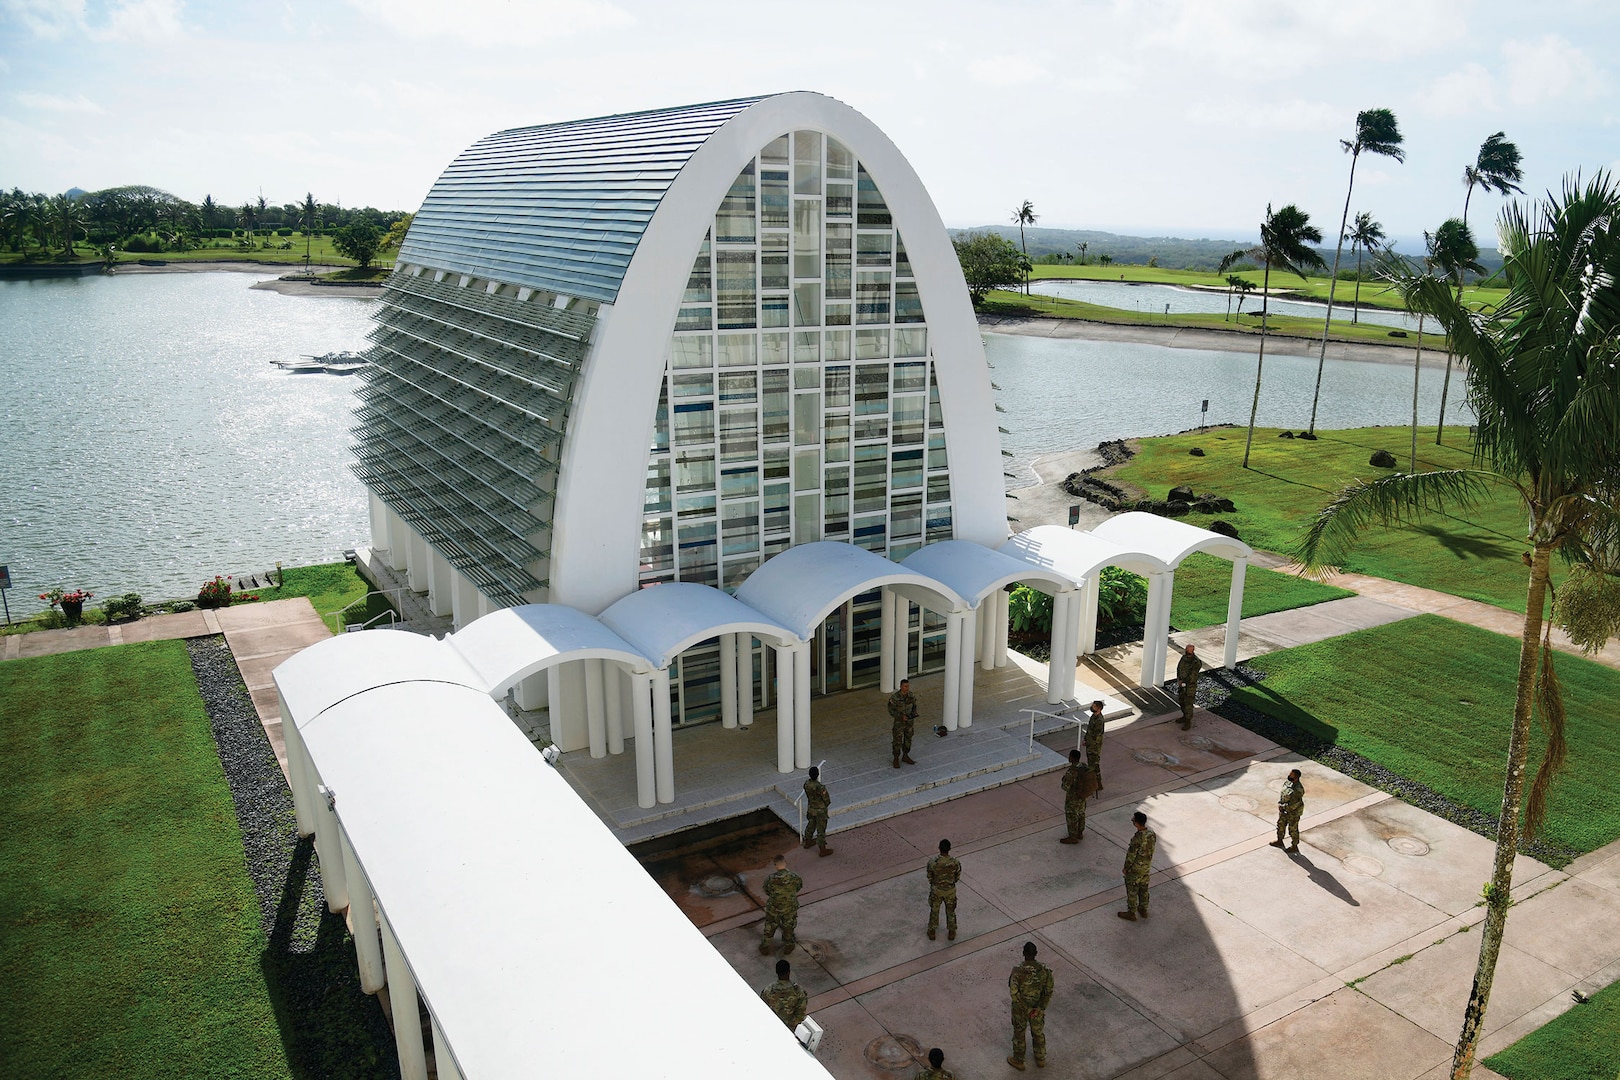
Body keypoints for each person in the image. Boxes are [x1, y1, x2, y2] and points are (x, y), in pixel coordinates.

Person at [1006, 940, 1054, 1070]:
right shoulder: (1044, 970)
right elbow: (1048, 991)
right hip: (1037, 1010)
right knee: (1038, 1032)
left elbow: (1014, 993)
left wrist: (1026, 1009)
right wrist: (1038, 1008)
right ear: (1036, 953)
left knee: (1019, 1033)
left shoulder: (1017, 970)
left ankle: (1019, 1060)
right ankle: (1040, 1058)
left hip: (1020, 1010)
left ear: (1023, 953)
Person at [759, 854, 803, 954]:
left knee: (770, 926)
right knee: (788, 925)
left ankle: (765, 946)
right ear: (785, 862)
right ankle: (789, 945)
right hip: (790, 906)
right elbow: (799, 887)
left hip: (774, 907)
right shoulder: (794, 877)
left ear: (775, 865)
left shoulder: (770, 879)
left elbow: (767, 891)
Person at [1118, 811, 1157, 921]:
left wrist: (1126, 868)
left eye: (1133, 820)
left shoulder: (1137, 838)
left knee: (1132, 890)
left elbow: (1131, 855)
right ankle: (1143, 909)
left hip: (1136, 869)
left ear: (1137, 823)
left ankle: (1131, 912)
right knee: (1144, 888)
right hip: (1146, 867)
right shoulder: (1151, 833)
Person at [925, 838, 961, 941]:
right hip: (950, 891)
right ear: (949, 849)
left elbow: (929, 876)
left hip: (937, 890)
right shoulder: (955, 862)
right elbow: (957, 877)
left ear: (939, 848)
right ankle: (952, 932)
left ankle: (932, 931)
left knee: (934, 910)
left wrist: (935, 884)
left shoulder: (933, 862)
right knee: (951, 911)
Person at [759, 958, 807, 1030]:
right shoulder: (798, 992)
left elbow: (762, 1009)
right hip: (789, 1029)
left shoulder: (768, 990)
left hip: (772, 1026)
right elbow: (800, 1015)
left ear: (776, 972)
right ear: (789, 972)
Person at [1058, 749, 1093, 844]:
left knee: (1072, 816)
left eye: (1070, 756)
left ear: (1072, 758)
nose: (1068, 757)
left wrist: (1064, 780)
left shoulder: (1072, 771)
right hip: (1082, 796)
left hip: (1073, 798)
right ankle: (1080, 832)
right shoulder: (1083, 766)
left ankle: (1072, 836)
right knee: (1081, 813)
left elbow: (1064, 787)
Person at [1270, 768, 1305, 853]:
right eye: (1289, 775)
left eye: (1291, 776)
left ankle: (1294, 846)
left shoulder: (1298, 790)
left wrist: (1283, 806)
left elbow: (1294, 804)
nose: (1289, 777)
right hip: (1284, 810)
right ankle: (1279, 841)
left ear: (1296, 778)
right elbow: (1284, 794)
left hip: (1293, 813)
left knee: (1293, 829)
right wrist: (1281, 804)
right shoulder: (1288, 783)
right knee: (1280, 825)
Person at [802, 766, 833, 856]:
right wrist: (824, 806)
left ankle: (808, 841)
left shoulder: (806, 784)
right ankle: (822, 849)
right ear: (817, 775)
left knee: (811, 824)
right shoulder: (820, 787)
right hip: (820, 811)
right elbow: (827, 799)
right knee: (821, 829)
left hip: (811, 808)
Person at [888, 677, 919, 768]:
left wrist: (913, 713)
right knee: (897, 741)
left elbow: (914, 705)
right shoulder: (895, 697)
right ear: (901, 686)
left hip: (909, 723)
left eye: (908, 686)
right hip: (899, 723)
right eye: (905, 686)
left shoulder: (911, 696)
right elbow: (890, 710)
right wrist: (900, 716)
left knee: (908, 739)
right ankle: (896, 758)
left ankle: (905, 755)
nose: (907, 688)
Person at [1175, 644, 1203, 730]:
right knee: (1181, 701)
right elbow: (1179, 668)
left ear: (1193, 650)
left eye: (1189, 650)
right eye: (1187, 649)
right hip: (1182, 685)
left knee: (1188, 704)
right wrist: (1179, 679)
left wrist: (1184, 681)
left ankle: (1188, 721)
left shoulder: (1195, 661)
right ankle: (1184, 716)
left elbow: (1193, 675)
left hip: (1190, 687)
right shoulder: (1184, 658)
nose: (1187, 651)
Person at [1085, 700, 1106, 793]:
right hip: (1090, 745)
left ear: (1099, 709)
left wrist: (1090, 743)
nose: (1092, 708)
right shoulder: (1093, 716)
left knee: (1094, 766)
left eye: (1094, 707)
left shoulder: (1099, 720)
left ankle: (1098, 784)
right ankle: (1092, 783)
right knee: (1091, 765)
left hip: (1094, 747)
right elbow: (1089, 729)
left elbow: (1097, 735)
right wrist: (1086, 739)